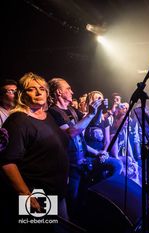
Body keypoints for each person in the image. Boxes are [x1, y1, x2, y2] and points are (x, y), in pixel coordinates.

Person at [0, 72, 69, 232]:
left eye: (42, 89)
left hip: (57, 192)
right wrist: (25, 194)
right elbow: (7, 162)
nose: (38, 92)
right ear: (22, 95)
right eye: (32, 89)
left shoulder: (46, 116)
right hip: (38, 195)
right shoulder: (18, 121)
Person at [47, 78, 122, 220]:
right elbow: (71, 133)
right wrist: (92, 113)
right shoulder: (53, 113)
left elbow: (95, 121)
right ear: (59, 92)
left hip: (85, 159)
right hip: (70, 165)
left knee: (115, 164)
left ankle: (97, 195)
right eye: (68, 89)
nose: (72, 91)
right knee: (73, 202)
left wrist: (99, 109)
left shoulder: (71, 110)